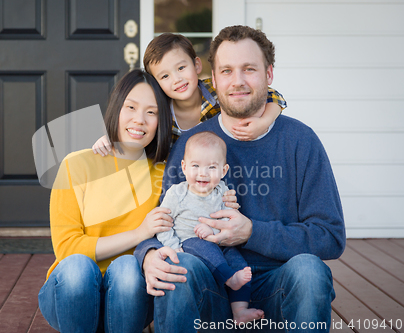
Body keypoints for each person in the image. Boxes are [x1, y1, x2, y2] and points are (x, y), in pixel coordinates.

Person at [134, 25, 346, 333]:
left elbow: (330, 236)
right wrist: (148, 254)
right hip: (210, 283)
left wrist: (251, 232)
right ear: (214, 78)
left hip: (279, 284)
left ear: (269, 74)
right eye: (227, 71)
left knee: (310, 270)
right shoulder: (190, 144)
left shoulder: (301, 141)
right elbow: (164, 219)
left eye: (249, 69)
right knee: (178, 267)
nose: (237, 81)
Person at [38, 69, 238, 333]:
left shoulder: (165, 174)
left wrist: (224, 204)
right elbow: (67, 247)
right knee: (76, 266)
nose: (139, 120)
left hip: (131, 292)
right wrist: (139, 233)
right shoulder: (76, 165)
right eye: (130, 107)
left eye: (152, 112)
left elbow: (196, 201)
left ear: (161, 121)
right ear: (115, 109)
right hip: (70, 294)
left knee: (126, 268)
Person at [92, 33, 287, 156]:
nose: (177, 79)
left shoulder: (217, 90)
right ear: (156, 83)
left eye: (181, 68)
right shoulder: (159, 109)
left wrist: (264, 122)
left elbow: (273, 95)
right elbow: (135, 124)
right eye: (165, 76)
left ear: (197, 65)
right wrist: (110, 137)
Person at [156, 131, 264, 324]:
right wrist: (173, 247)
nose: (202, 173)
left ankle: (240, 310)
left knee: (240, 263)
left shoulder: (223, 191)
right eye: (195, 166)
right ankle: (229, 278)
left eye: (211, 167)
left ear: (223, 171)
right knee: (202, 245)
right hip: (189, 244)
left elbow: (228, 223)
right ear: (184, 167)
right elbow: (163, 224)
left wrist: (214, 232)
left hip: (220, 243)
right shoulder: (177, 193)